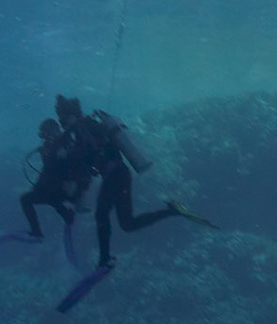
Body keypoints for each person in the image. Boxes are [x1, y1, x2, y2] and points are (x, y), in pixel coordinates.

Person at [56, 94, 209, 270]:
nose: (61, 124)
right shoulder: (89, 126)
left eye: (62, 119)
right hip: (119, 173)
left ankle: (105, 259)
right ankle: (172, 210)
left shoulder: (82, 129)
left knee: (101, 216)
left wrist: (67, 157)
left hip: (114, 174)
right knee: (127, 224)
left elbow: (87, 152)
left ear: (71, 116)